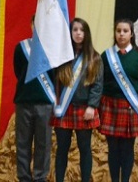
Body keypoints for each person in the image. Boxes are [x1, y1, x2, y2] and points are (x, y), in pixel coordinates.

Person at [50, 18, 103, 182]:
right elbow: (54, 83)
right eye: (75, 30)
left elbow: (98, 85)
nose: (78, 33)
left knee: (85, 148)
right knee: (62, 149)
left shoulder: (95, 58)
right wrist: (55, 103)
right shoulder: (62, 57)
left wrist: (92, 106)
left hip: (84, 109)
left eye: (82, 30)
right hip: (64, 109)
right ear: (70, 33)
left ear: (86, 33)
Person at [99, 18, 138, 182]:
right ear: (115, 33)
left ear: (131, 34)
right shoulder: (106, 56)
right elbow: (101, 80)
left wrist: (133, 99)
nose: (121, 34)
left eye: (125, 31)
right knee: (113, 148)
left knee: (127, 148)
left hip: (130, 106)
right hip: (109, 105)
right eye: (118, 31)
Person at [13, 17, 56, 182]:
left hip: (45, 103)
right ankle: (23, 177)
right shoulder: (21, 48)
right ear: (31, 25)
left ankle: (40, 178)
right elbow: (19, 72)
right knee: (22, 143)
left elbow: (55, 77)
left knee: (43, 144)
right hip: (24, 102)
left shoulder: (52, 50)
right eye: (36, 23)